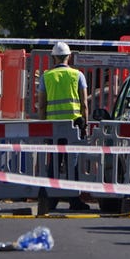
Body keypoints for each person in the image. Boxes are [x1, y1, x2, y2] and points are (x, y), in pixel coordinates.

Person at [38, 42, 90, 211]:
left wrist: (43, 127)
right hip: (73, 126)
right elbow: (84, 104)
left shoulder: (46, 76)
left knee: (54, 162)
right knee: (72, 163)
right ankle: (74, 200)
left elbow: (42, 105)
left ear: (54, 57)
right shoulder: (78, 75)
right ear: (69, 56)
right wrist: (85, 124)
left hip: (53, 126)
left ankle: (51, 200)